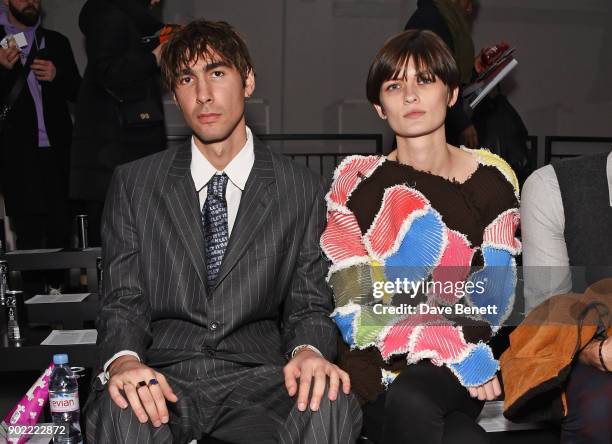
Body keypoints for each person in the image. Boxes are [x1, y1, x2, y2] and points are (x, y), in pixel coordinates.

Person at [84, 19, 362, 444]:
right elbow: (124, 299)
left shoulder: (300, 187)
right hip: (162, 375)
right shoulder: (135, 183)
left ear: (247, 80)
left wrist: (308, 351)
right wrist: (123, 361)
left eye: (217, 72)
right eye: (186, 78)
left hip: (260, 378)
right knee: (123, 410)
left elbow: (308, 303)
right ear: (174, 94)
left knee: (331, 398)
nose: (203, 94)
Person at [321, 29, 520, 443]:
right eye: (395, 86)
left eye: (425, 80)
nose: (410, 95)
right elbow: (356, 312)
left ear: (451, 94)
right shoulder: (354, 185)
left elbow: (492, 302)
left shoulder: (493, 181)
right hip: (376, 368)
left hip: (458, 366)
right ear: (379, 106)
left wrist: (451, 347)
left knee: (415, 398)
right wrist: (444, 340)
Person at [519, 152, 612, 442]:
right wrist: (596, 352)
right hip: (588, 348)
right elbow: (547, 315)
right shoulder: (554, 187)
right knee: (599, 405)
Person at [70, 0, 168, 246]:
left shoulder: (125, 16)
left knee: (131, 233)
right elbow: (107, 71)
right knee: (117, 238)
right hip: (115, 147)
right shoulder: (110, 14)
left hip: (123, 142)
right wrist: (153, 58)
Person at [0, 0, 80, 249]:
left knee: (63, 234)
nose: (31, 1)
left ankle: (61, 289)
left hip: (58, 155)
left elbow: (78, 92)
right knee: (29, 240)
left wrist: (58, 76)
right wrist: (1, 69)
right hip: (17, 158)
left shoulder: (56, 41)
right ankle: (33, 289)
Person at [405, 0, 478, 148]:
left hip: (434, 125)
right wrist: (461, 122)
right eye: (468, 1)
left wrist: (475, 69)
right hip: (426, 129)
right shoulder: (433, 19)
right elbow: (440, 75)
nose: (470, 9)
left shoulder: (441, 18)